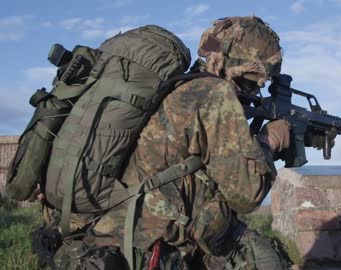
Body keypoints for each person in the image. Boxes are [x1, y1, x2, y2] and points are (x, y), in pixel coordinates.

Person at [50, 16, 290, 269]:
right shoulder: (216, 94)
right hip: (142, 248)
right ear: (230, 65)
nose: (254, 91)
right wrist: (268, 141)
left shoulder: (180, 86)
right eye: (251, 81)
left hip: (107, 233)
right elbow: (246, 196)